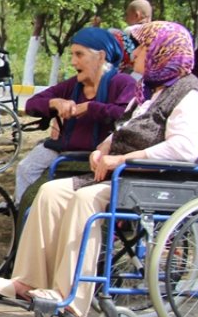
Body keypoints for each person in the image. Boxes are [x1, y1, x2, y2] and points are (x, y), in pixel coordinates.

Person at [0, 21, 198, 317]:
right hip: (122, 175)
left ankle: (70, 298)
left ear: (162, 51)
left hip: (151, 179)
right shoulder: (149, 91)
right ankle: (27, 281)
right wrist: (103, 148)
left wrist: (124, 159)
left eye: (144, 46)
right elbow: (122, 128)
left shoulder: (191, 94)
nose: (137, 52)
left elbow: (184, 149)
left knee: (84, 201)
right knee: (51, 191)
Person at [14, 28, 139, 205]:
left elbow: (126, 115)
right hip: (63, 149)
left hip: (98, 156)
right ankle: (21, 215)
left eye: (79, 55)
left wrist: (89, 107)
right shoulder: (74, 85)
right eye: (72, 55)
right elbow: (32, 104)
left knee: (44, 194)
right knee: (26, 168)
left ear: (101, 56)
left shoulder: (123, 83)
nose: (73, 62)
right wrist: (55, 103)